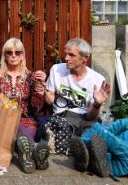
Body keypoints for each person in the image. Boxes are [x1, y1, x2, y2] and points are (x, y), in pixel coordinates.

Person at [0, 38, 50, 174]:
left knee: (23, 137)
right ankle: (32, 155)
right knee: (14, 138)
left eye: (17, 52)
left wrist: (40, 93)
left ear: (22, 56)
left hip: (25, 119)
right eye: (9, 52)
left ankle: (31, 154)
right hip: (2, 120)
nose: (13, 55)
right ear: (4, 55)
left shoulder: (31, 77)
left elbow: (36, 108)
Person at [43, 38, 112, 176]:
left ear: (85, 58)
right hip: (64, 116)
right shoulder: (57, 70)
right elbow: (49, 95)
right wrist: (54, 100)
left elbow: (92, 115)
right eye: (66, 54)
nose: (66, 58)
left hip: (86, 117)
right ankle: (87, 158)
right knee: (62, 127)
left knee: (95, 134)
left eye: (71, 55)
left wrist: (97, 104)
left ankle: (90, 158)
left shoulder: (97, 80)